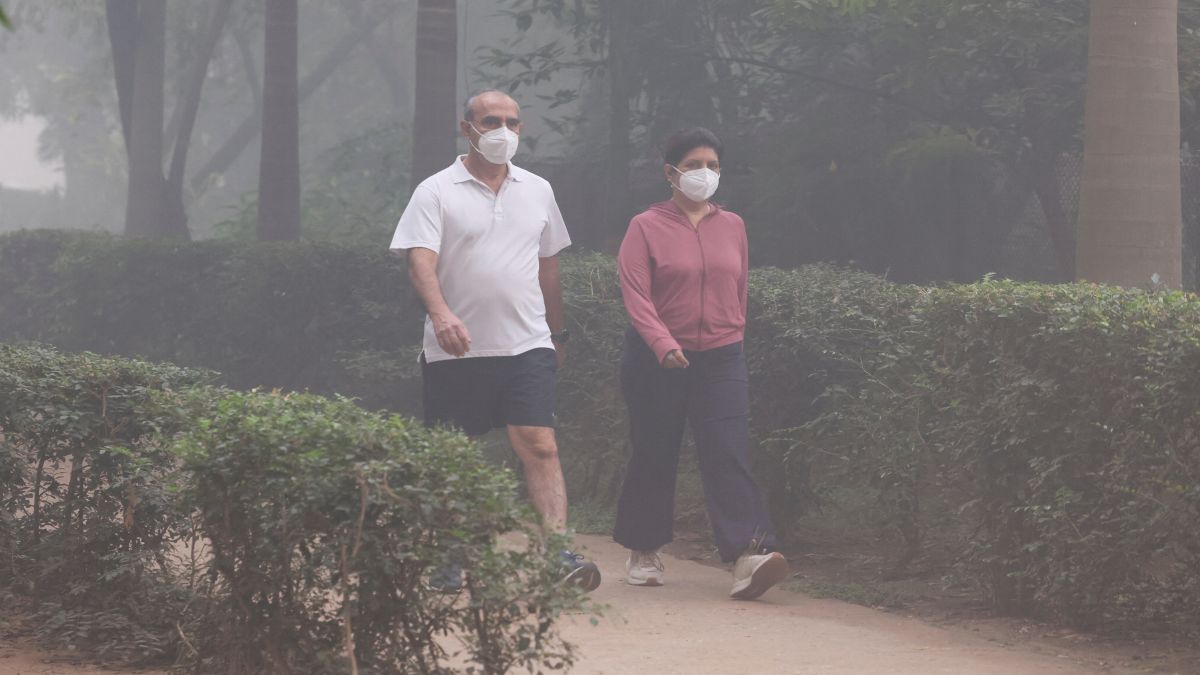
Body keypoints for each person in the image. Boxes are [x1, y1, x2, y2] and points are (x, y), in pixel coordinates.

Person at [389, 89, 600, 591]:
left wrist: (556, 331)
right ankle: (448, 557)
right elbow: (420, 260)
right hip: (455, 350)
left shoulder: (538, 189)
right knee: (454, 453)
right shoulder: (436, 190)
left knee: (541, 446)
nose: (503, 131)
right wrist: (440, 314)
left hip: (527, 344)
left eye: (512, 122)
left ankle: (557, 556)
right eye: (491, 121)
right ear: (468, 128)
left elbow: (549, 267)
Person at [612, 127, 789, 600]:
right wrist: (661, 342)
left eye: (712, 165)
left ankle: (749, 555)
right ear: (671, 173)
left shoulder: (732, 225)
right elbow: (636, 295)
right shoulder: (645, 226)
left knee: (727, 452)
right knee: (654, 451)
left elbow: (740, 287)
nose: (704, 173)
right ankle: (644, 550)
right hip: (657, 359)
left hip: (721, 357)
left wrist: (732, 336)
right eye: (693, 165)